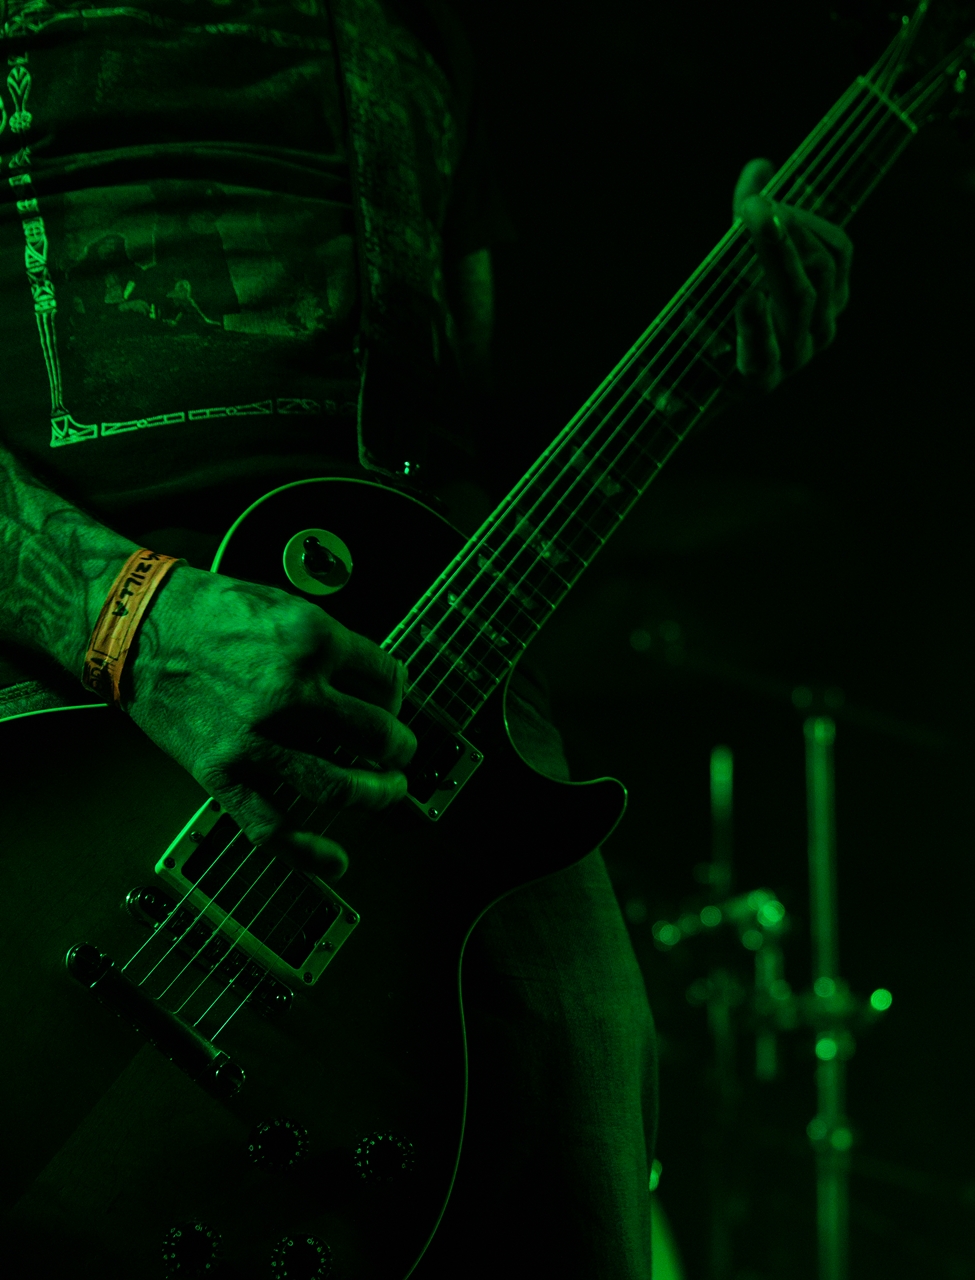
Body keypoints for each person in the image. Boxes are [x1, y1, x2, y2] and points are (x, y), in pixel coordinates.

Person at [0, 0, 851, 1273]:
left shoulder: (425, 24)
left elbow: (460, 433)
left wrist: (696, 355)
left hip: (441, 740)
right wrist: (132, 620)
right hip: (64, 735)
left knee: (573, 1157)